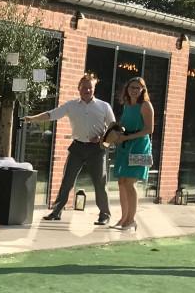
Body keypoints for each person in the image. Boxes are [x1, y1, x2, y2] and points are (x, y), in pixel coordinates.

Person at [24, 74, 116, 224]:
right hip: (77, 147)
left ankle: (104, 215)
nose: (87, 90)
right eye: (84, 87)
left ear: (94, 89)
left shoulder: (104, 106)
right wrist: (32, 118)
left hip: (96, 149)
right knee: (67, 180)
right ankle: (56, 211)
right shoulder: (71, 105)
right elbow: (51, 115)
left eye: (90, 88)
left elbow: (113, 127)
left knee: (100, 182)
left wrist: (101, 139)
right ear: (79, 88)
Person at [110, 76, 153, 232]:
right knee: (121, 182)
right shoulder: (127, 105)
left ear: (142, 90)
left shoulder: (146, 105)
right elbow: (124, 123)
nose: (134, 90)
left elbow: (149, 130)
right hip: (125, 146)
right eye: (131, 87)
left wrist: (126, 137)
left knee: (130, 183)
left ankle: (131, 220)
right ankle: (123, 218)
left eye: (137, 88)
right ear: (127, 89)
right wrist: (114, 131)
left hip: (140, 147)